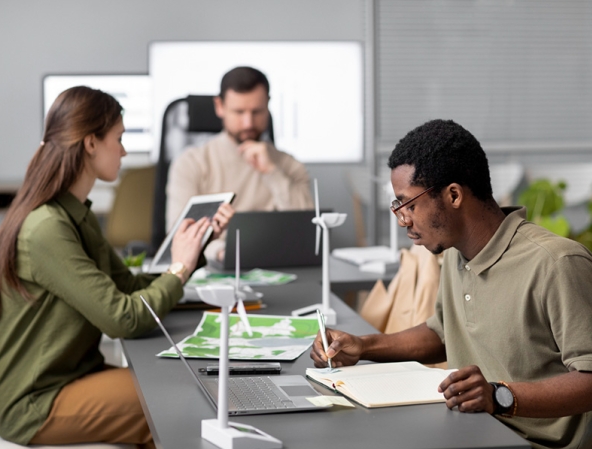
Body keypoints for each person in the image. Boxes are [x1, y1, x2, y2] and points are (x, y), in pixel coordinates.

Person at [311, 119, 592, 449]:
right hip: (468, 432)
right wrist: (364, 346)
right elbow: (442, 332)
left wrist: (499, 396)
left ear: (454, 195)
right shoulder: (455, 255)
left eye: (408, 205)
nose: (402, 219)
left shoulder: (556, 263)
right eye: (397, 206)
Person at [0, 86, 233, 448]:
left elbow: (127, 287)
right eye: (118, 139)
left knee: (180, 389)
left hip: (70, 378)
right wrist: (179, 268)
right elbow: (123, 319)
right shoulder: (47, 228)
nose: (122, 151)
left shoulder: (76, 215)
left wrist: (194, 252)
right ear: (91, 143)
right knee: (183, 402)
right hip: (35, 403)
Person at [166, 66, 314, 261]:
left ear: (268, 105)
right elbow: (179, 236)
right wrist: (222, 251)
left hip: (276, 265)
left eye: (256, 111)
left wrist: (271, 172)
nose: (248, 123)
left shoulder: (289, 166)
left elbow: (307, 231)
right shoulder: (191, 163)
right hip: (213, 266)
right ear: (219, 106)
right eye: (239, 112)